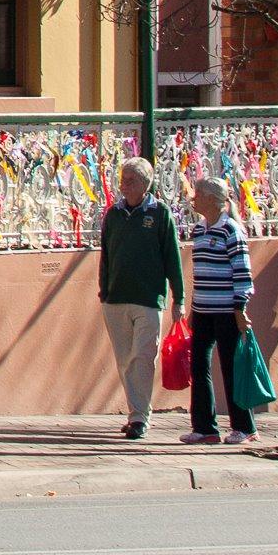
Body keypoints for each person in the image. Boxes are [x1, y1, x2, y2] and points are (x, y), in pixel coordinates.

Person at [97, 157, 183, 440]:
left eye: (130, 180)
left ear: (146, 184)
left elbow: (172, 257)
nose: (124, 185)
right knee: (124, 359)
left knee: (143, 357)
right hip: (116, 298)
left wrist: (178, 297)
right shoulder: (114, 215)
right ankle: (136, 411)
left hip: (148, 298)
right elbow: (106, 256)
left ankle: (140, 417)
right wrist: (104, 290)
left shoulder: (160, 214)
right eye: (122, 179)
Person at [180, 175, 257, 445]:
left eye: (198, 194)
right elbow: (200, 273)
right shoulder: (199, 230)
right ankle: (204, 426)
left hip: (226, 310)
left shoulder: (231, 230)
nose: (193, 198)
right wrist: (193, 307)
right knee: (199, 366)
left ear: (213, 200)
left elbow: (242, 272)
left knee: (230, 366)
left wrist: (240, 308)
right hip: (203, 309)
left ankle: (244, 426)